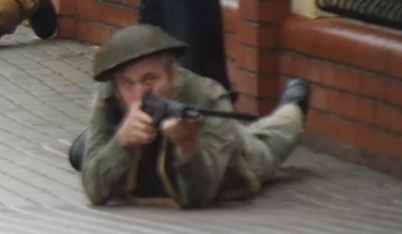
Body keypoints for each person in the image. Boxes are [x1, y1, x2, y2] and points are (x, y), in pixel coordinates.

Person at [69, 23, 311, 209]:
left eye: (150, 80)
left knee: (267, 141)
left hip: (234, 160)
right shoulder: (109, 96)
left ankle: (293, 106)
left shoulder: (207, 96)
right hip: (143, 168)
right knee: (88, 153)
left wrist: (188, 145)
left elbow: (201, 196)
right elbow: (94, 191)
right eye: (128, 84)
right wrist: (121, 141)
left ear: (173, 73)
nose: (139, 93)